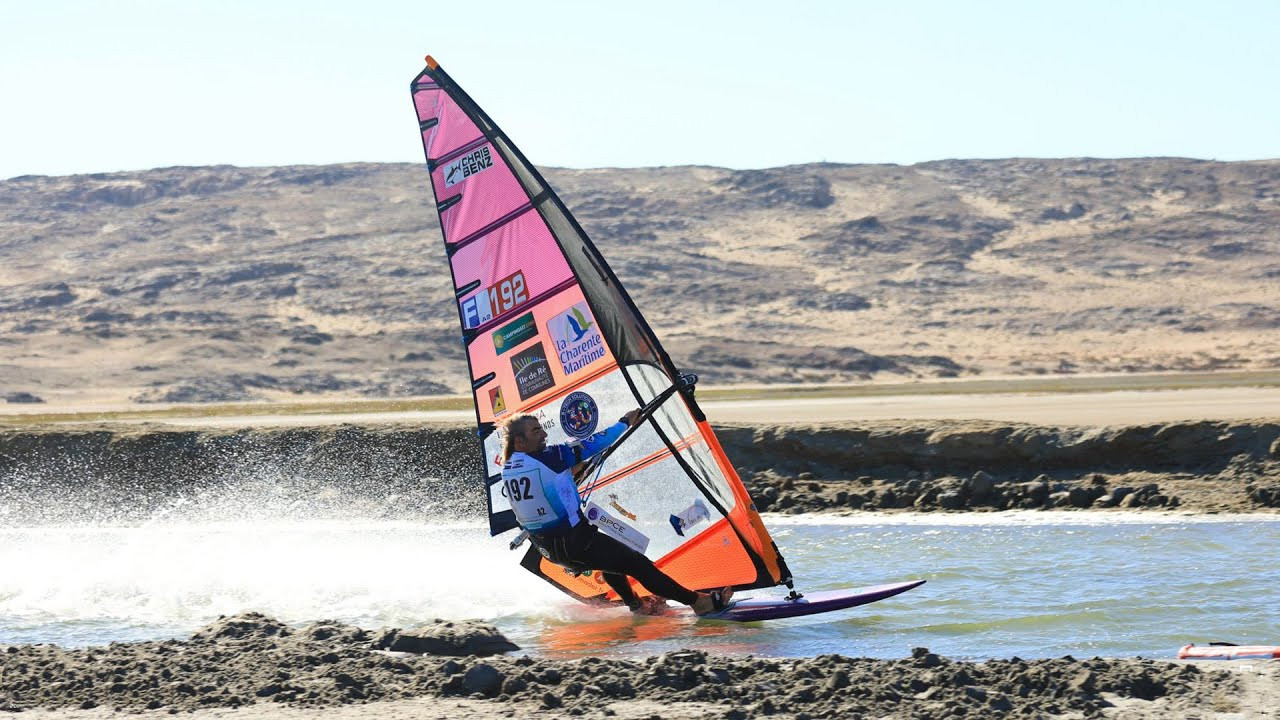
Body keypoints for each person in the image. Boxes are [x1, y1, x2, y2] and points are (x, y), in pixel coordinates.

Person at [500, 409, 732, 615]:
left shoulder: (509, 467)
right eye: (536, 431)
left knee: (610, 561)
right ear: (520, 442)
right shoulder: (550, 457)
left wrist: (569, 474)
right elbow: (594, 443)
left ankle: (637, 606)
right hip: (574, 542)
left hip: (548, 549)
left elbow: (543, 488)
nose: (544, 435)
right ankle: (698, 602)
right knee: (637, 564)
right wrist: (625, 422)